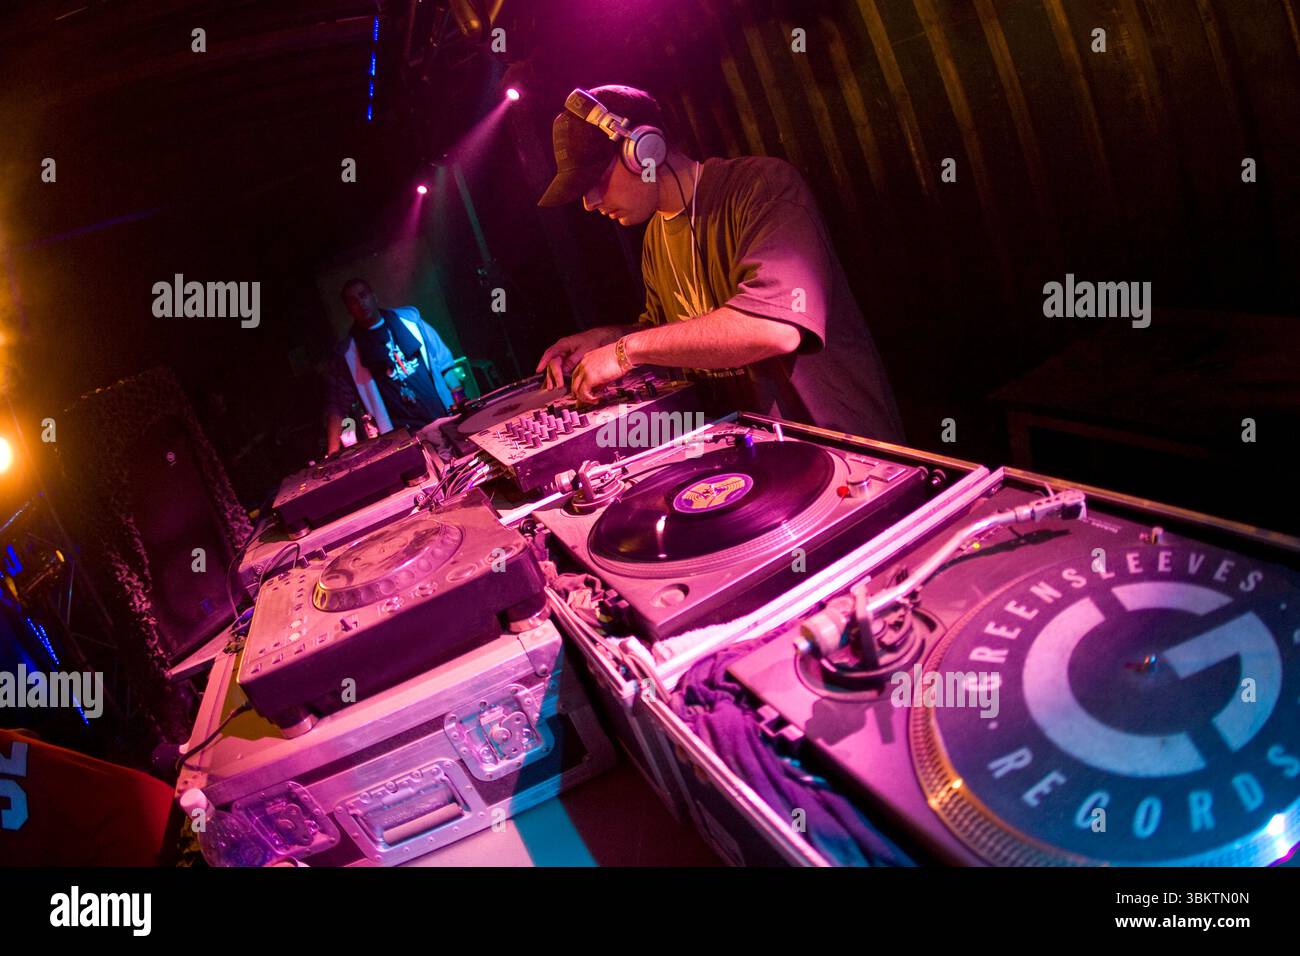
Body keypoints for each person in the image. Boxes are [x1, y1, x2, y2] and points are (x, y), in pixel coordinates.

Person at [535, 85, 904, 442]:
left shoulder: (762, 186)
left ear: (645, 150)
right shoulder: (654, 239)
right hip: (755, 457)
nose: (590, 201)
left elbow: (772, 328)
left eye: (596, 179)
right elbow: (671, 334)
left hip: (838, 451)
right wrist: (605, 339)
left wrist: (624, 351)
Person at [322, 278, 456, 454]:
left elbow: (445, 365)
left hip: (443, 420)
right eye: (353, 301)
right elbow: (338, 405)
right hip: (405, 439)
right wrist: (332, 454)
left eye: (363, 295)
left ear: (374, 296)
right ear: (348, 309)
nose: (361, 303)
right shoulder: (349, 353)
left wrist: (462, 403)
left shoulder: (410, 321)